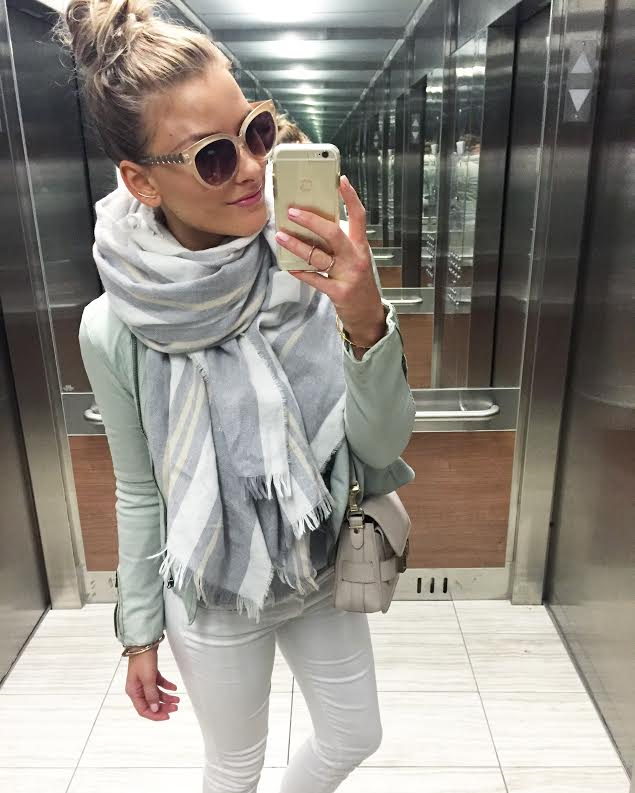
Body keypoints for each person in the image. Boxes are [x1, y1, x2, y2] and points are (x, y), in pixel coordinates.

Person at [60, 2, 415, 791]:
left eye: (254, 133)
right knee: (233, 764)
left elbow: (382, 447)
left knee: (354, 733)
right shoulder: (112, 327)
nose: (254, 169)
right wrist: (138, 631)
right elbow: (139, 488)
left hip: (318, 561)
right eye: (213, 157)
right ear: (141, 181)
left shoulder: (313, 267)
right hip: (210, 588)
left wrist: (364, 318)